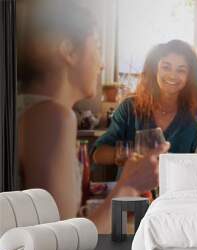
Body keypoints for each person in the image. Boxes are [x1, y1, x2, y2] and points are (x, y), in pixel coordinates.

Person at [17, 0, 169, 233]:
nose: (102, 63)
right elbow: (60, 245)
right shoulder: (51, 117)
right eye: (97, 47)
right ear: (69, 52)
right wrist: (129, 185)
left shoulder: (30, 109)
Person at [92, 39, 197, 165]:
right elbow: (98, 154)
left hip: (173, 185)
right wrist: (137, 155)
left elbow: (194, 165)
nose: (172, 75)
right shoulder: (129, 108)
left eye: (181, 70)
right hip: (132, 184)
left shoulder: (195, 116)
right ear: (155, 70)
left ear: (190, 76)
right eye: (166, 67)